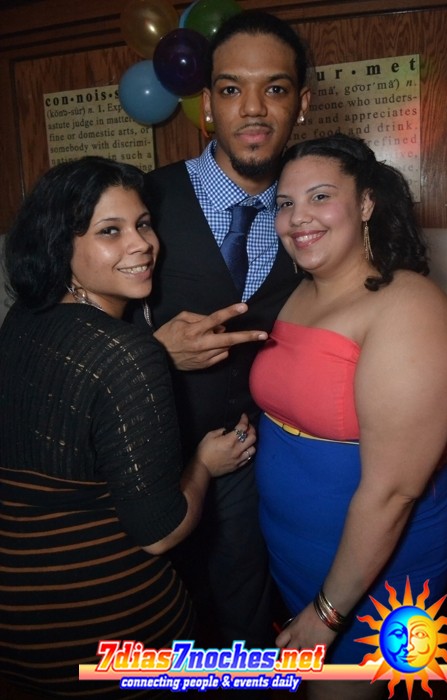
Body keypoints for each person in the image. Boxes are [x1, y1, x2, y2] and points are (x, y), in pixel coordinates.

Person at [0, 156, 256, 699]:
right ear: (59, 246)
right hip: (109, 628)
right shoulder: (128, 355)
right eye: (110, 231)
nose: (142, 244)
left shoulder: (22, 318)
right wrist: (204, 465)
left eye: (142, 224)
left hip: (21, 625)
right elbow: (160, 532)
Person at [249, 133, 447, 699]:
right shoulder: (298, 289)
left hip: (380, 565)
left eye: (320, 197)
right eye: (285, 203)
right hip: (295, 546)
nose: (298, 217)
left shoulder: (408, 305)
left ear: (366, 203)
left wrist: (327, 612)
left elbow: (393, 493)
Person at [130, 10, 312, 648]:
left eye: (276, 88)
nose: (253, 109)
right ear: (207, 104)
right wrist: (153, 353)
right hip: (149, 461)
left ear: (301, 104)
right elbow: (73, 329)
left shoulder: (313, 213)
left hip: (263, 463)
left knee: (245, 619)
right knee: (157, 627)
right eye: (232, 89)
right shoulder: (143, 201)